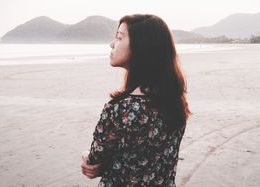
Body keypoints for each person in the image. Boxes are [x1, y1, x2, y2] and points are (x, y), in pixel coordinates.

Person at [81, 14, 191, 186]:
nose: (111, 44)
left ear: (141, 47)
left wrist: (86, 156)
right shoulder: (175, 103)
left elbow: (94, 161)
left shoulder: (119, 109)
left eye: (118, 38)